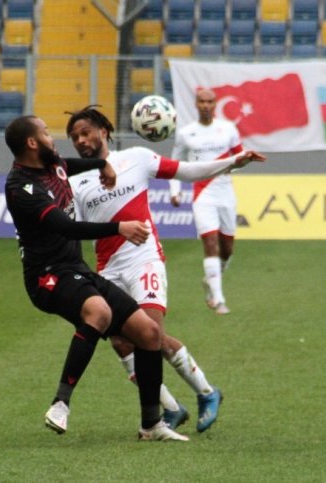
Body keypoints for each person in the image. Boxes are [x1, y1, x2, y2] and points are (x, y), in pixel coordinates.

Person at [66, 106, 265, 432]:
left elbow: (188, 171)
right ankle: (170, 408)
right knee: (120, 342)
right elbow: (67, 224)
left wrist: (232, 161)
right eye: (74, 137)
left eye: (86, 132)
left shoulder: (136, 158)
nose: (80, 140)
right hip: (108, 268)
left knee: (152, 336)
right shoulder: (75, 181)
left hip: (143, 259)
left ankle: (207, 392)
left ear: (103, 131)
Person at [3, 115, 188, 441]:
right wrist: (118, 227)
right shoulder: (21, 187)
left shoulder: (51, 165)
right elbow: (65, 226)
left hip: (76, 270)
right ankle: (61, 403)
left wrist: (102, 164)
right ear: (32, 143)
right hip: (46, 278)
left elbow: (67, 165)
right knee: (99, 312)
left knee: (147, 332)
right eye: (46, 133)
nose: (52, 138)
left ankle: (151, 426)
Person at [169, 87, 244, 315]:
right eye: (202, 101)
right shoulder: (186, 133)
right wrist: (175, 190)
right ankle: (218, 299)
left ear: (215, 103)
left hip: (225, 193)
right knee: (210, 243)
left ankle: (211, 280)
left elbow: (240, 156)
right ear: (196, 104)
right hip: (202, 195)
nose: (206, 106)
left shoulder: (228, 129)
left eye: (210, 102)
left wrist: (239, 162)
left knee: (227, 249)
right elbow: (175, 163)